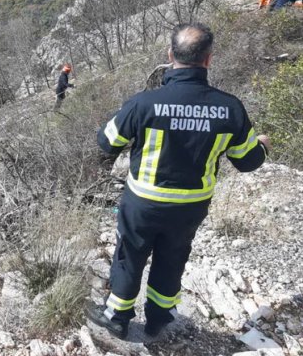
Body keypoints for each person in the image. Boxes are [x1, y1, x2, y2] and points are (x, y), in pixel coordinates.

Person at [88, 23, 270, 339]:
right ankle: (159, 319)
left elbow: (106, 143)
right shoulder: (229, 108)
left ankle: (116, 316)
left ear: (170, 55)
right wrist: (263, 146)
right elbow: (247, 161)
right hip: (190, 206)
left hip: (143, 202)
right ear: (208, 60)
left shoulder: (144, 103)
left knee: (130, 255)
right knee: (172, 258)